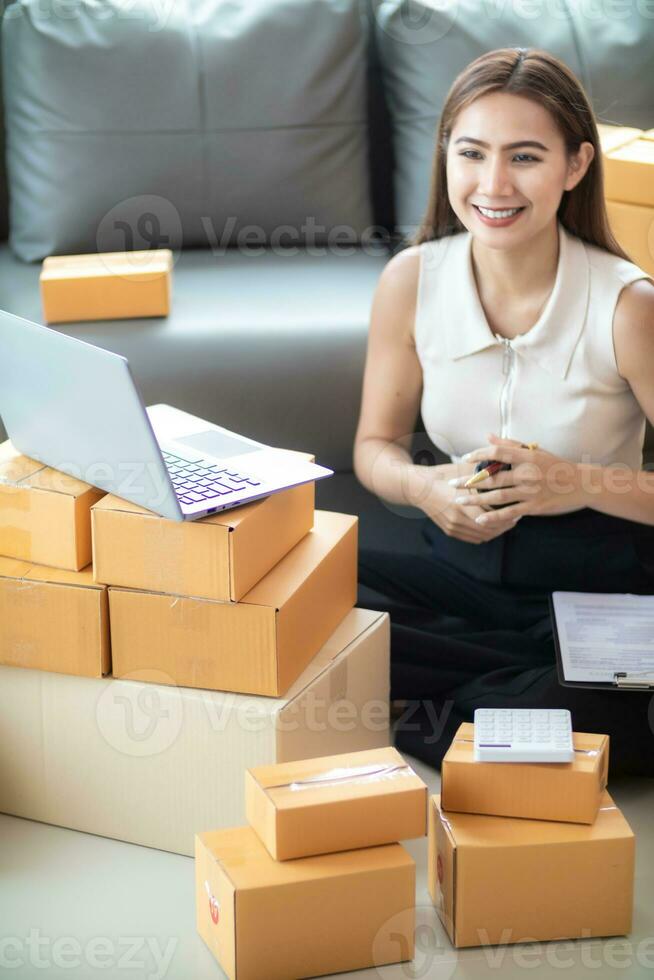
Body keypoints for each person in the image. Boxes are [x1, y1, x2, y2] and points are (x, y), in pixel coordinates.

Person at [353, 47, 654, 776]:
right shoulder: (411, 281)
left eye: (524, 157)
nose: (493, 185)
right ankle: (505, 714)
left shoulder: (628, 305)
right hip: (459, 566)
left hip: (600, 586)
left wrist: (581, 483)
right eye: (472, 154)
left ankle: (465, 709)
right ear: (447, 158)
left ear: (575, 166)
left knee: (602, 701)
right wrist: (424, 487)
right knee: (313, 598)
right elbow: (375, 445)